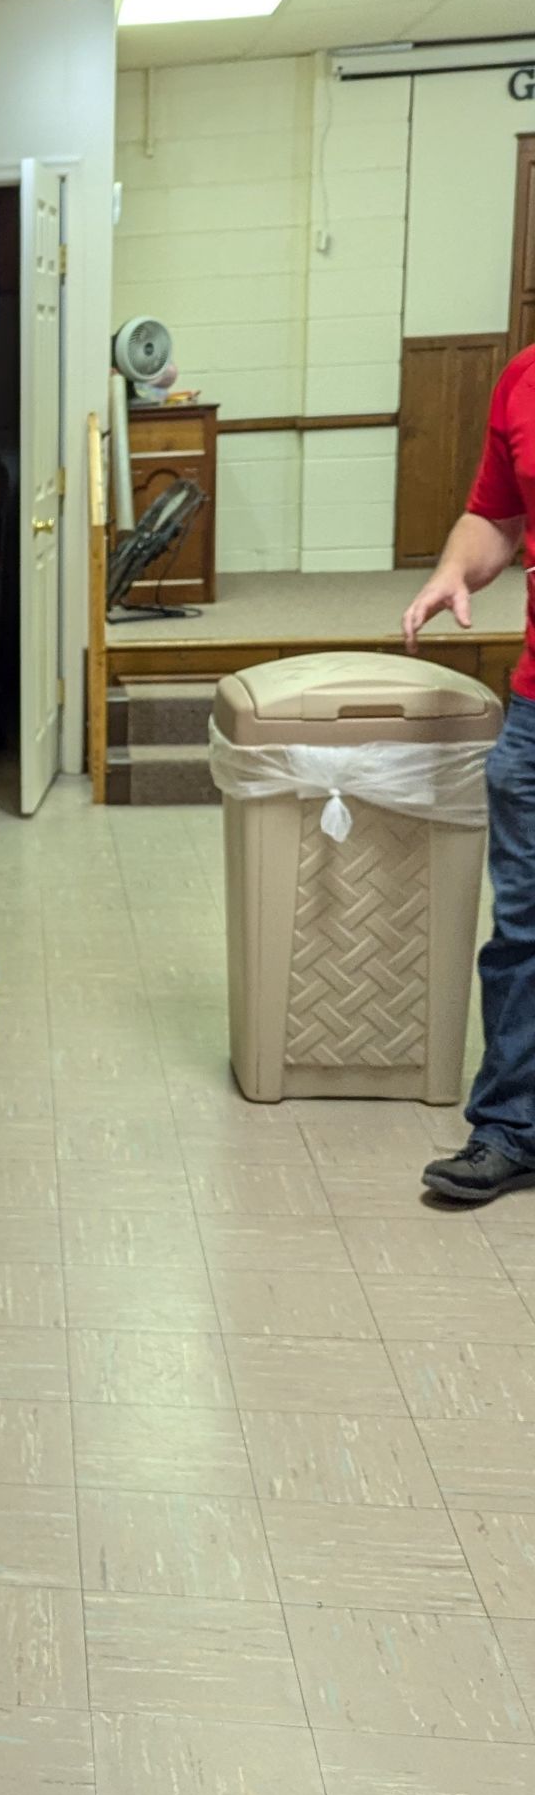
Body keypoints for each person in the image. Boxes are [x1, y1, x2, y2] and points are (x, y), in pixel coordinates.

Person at [404, 341, 535, 1205]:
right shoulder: (522, 380)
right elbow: (497, 514)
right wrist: (457, 564)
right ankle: (512, 1126)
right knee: (522, 928)